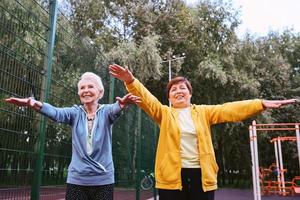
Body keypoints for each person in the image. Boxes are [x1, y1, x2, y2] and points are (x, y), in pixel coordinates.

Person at [108, 64, 297, 200]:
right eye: (173, 89)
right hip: (172, 178)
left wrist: (260, 103)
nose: (178, 91)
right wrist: (131, 81)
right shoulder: (164, 113)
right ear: (169, 97)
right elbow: (148, 100)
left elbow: (229, 109)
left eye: (183, 88)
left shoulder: (204, 112)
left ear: (190, 94)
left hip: (201, 176)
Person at [5, 72, 141, 200]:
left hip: (103, 180)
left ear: (100, 92)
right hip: (77, 180)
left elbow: (114, 109)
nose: (85, 90)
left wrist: (121, 105)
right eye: (82, 88)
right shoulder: (74, 113)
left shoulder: (106, 112)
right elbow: (56, 113)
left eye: (90, 86)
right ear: (79, 93)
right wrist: (35, 104)